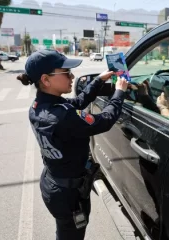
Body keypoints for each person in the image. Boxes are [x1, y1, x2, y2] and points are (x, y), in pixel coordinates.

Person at [16, 49, 128, 240]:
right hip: (68, 195)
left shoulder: (41, 107)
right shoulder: (61, 117)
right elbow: (106, 120)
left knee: (66, 232)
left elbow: (76, 102)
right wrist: (119, 91)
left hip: (54, 183)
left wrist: (99, 80)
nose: (72, 76)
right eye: (66, 73)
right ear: (46, 80)